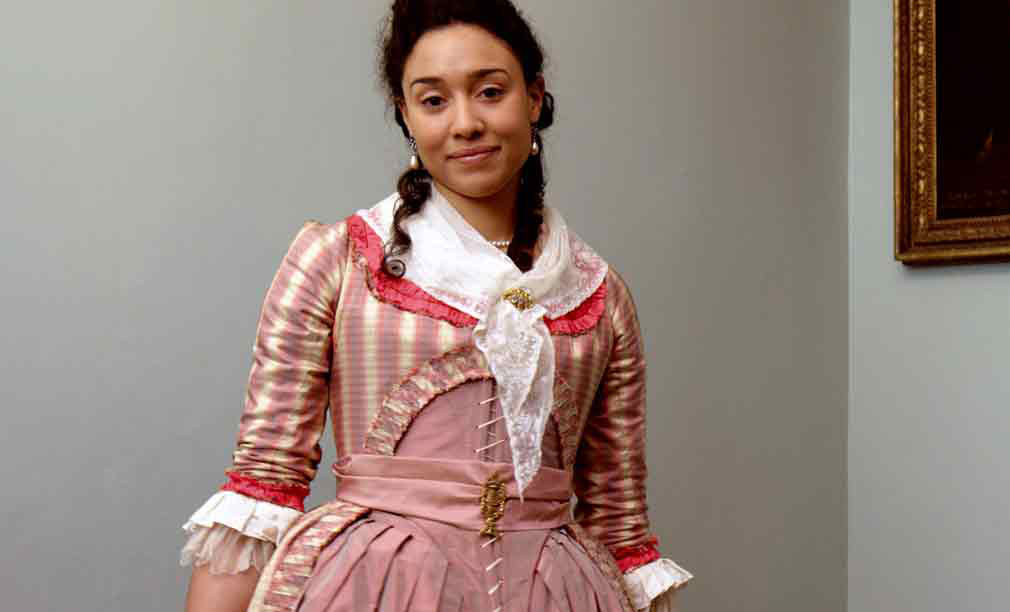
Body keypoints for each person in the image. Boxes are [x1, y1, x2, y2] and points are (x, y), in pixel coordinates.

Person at [179, 2, 692, 610]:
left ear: (534, 98)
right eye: (433, 100)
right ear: (406, 114)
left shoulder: (598, 296)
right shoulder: (338, 261)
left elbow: (620, 523)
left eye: (490, 92)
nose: (466, 123)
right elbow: (264, 480)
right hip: (376, 590)